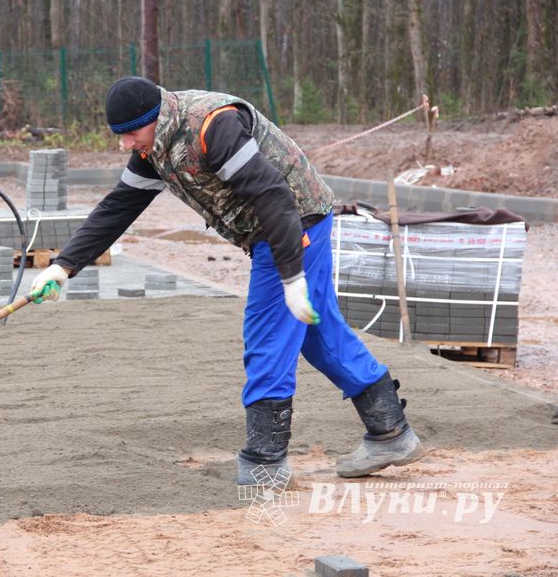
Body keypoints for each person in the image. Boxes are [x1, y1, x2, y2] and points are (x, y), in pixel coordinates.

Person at [30, 76, 426, 482]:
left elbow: (273, 195)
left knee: (268, 336)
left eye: (131, 133)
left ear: (154, 120)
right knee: (315, 332)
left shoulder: (213, 126)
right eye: (119, 136)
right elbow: (117, 207)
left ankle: (264, 461)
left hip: (290, 223)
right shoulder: (156, 147)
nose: (125, 144)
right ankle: (389, 431)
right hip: (278, 227)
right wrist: (63, 266)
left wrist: (292, 278)